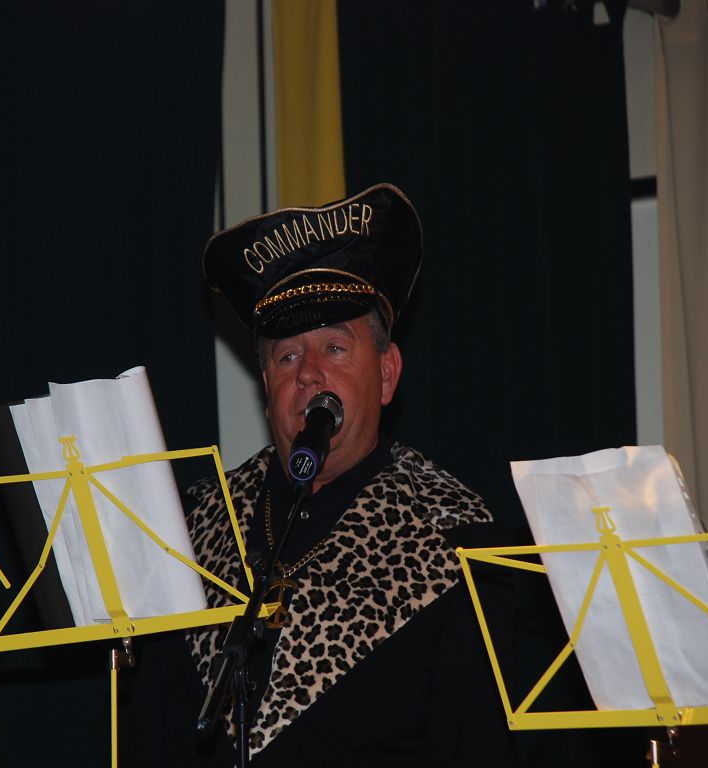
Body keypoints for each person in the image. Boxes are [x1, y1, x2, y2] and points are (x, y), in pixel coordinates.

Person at [121, 184, 513, 766]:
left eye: (334, 348)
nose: (308, 374)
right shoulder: (193, 527)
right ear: (267, 390)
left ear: (386, 374)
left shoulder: (455, 538)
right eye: (287, 356)